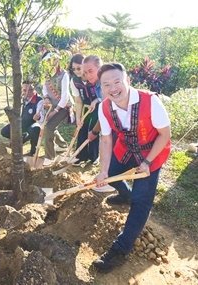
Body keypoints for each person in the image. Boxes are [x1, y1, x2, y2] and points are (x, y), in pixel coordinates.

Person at [92, 63, 171, 273]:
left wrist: (147, 163)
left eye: (117, 81)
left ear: (127, 80)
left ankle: (120, 249)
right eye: (106, 84)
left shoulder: (150, 101)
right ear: (101, 87)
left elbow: (165, 134)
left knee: (141, 202)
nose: (113, 88)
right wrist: (103, 170)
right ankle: (124, 194)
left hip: (151, 153)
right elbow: (106, 139)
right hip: (125, 149)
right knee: (111, 174)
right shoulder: (104, 107)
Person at [42, 52, 73, 165]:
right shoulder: (46, 74)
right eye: (48, 61)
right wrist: (45, 97)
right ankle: (63, 145)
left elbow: (65, 97)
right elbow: (44, 88)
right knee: (49, 126)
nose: (50, 63)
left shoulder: (64, 75)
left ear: (57, 61)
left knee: (49, 127)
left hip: (63, 106)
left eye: (53, 60)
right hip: (51, 105)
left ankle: (49, 157)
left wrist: (54, 111)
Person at [72, 55, 102, 166]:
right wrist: (78, 118)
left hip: (98, 105)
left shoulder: (95, 79)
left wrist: (96, 101)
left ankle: (94, 156)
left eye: (79, 68)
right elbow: (78, 101)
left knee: (93, 128)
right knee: (82, 128)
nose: (76, 71)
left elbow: (103, 96)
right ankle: (81, 156)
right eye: (73, 69)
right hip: (85, 106)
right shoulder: (74, 81)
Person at [1, 81, 42, 156]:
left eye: (30, 89)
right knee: (4, 131)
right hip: (21, 123)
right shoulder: (22, 99)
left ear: (34, 89)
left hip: (32, 124)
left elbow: (40, 115)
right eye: (24, 90)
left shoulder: (39, 100)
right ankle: (21, 139)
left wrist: (38, 115)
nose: (27, 92)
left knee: (35, 129)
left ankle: (33, 151)